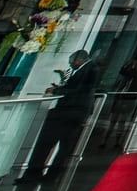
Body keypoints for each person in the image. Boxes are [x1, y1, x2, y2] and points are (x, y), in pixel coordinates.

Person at [20, 49, 100, 184]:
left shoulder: (91, 69)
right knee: (64, 147)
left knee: (47, 142)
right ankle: (51, 177)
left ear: (78, 60)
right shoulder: (90, 68)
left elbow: (80, 90)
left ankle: (34, 174)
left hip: (69, 111)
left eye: (72, 62)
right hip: (76, 112)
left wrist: (58, 90)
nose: (71, 65)